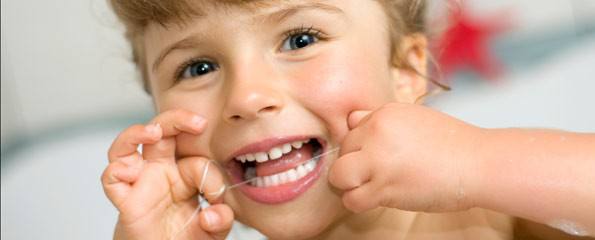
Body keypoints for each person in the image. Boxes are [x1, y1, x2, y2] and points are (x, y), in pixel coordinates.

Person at [100, 0, 595, 239]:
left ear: (406, 70)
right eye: (198, 68)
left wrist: (480, 165)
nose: (247, 98)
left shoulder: (496, 217)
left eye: (300, 40)